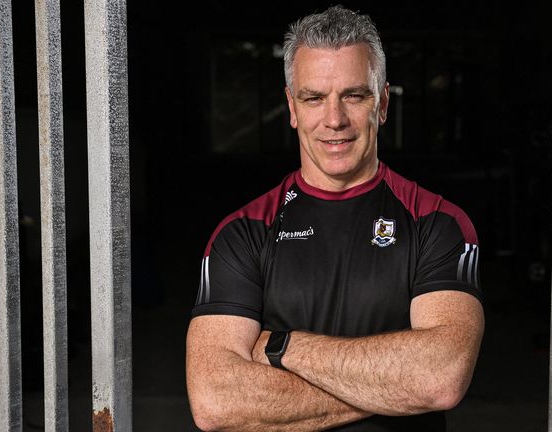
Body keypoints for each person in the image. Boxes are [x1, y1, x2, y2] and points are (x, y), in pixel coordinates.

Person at [186, 5, 484, 431]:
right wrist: (391, 385)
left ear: (381, 103)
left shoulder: (439, 222)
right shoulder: (241, 233)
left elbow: (440, 378)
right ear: (292, 107)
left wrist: (281, 348)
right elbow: (214, 400)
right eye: (313, 98)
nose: (334, 120)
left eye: (354, 95)